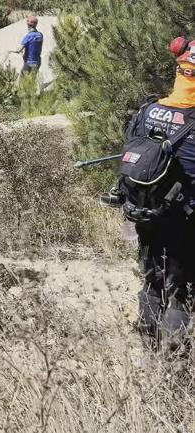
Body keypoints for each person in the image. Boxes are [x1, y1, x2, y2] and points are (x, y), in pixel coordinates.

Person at [127, 37, 195, 354]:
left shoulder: (149, 110)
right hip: (186, 219)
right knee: (183, 288)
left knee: (153, 280)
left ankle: (148, 353)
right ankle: (174, 365)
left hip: (149, 214)